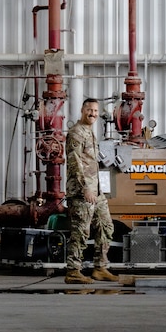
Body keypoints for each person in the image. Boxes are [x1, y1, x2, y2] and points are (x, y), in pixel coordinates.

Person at [64, 98, 118, 284]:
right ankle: (73, 271)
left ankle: (100, 267)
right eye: (90, 110)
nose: (93, 114)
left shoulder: (90, 132)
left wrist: (95, 189)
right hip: (81, 191)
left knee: (106, 226)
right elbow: (74, 163)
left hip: (96, 191)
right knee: (80, 231)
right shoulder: (76, 132)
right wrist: (85, 188)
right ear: (82, 110)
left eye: (95, 111)